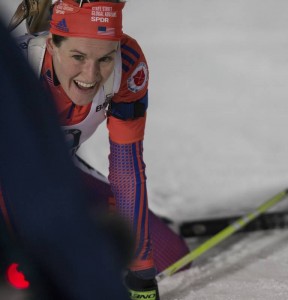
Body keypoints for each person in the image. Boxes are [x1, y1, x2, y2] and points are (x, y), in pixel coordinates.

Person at [1, 1, 190, 299]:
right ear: (51, 45)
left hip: (53, 172)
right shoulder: (20, 71)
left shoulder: (127, 64)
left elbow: (127, 167)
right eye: (77, 56)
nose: (90, 75)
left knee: (172, 255)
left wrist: (139, 272)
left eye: (105, 58)